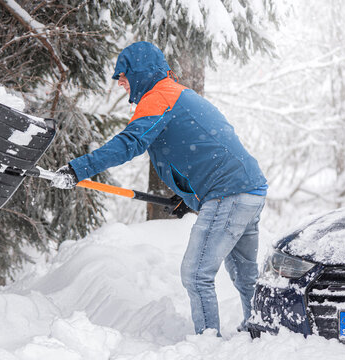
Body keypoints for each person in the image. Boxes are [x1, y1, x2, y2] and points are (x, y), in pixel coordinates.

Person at [51, 41, 267, 336]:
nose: (120, 84)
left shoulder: (159, 96)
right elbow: (205, 150)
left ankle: (209, 345)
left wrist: (79, 168)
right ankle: (261, 330)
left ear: (140, 71)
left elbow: (129, 144)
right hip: (249, 189)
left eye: (123, 76)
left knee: (196, 274)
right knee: (245, 274)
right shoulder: (175, 94)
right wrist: (188, 198)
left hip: (227, 192)